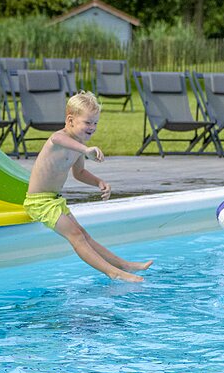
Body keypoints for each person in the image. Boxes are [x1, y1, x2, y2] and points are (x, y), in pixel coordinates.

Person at [24, 91, 153, 282]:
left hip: (54, 201)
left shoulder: (78, 144)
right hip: (38, 203)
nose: (92, 127)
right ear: (70, 120)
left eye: (95, 123)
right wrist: (85, 150)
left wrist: (99, 182)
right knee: (76, 236)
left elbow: (79, 173)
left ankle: (124, 265)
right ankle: (114, 273)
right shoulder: (59, 139)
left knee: (84, 234)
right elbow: (57, 140)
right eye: (88, 122)